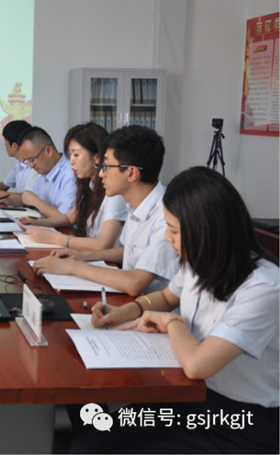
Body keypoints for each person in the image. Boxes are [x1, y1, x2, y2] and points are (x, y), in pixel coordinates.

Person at [73, 167, 279, 454]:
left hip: (238, 420)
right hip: (186, 394)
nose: (168, 239)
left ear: (206, 231)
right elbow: (167, 296)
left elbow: (197, 365)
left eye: (174, 230)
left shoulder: (264, 288)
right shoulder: (201, 261)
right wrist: (128, 310)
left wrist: (174, 323)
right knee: (89, 442)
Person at [32, 125, 179, 296]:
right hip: (131, 300)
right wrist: (81, 256)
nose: (101, 174)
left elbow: (135, 283)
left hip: (151, 307)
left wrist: (71, 266)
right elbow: (127, 251)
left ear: (131, 173)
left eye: (107, 166)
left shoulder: (167, 217)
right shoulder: (135, 204)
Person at [20, 122, 127, 250]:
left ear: (97, 157)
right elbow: (70, 218)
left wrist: (56, 238)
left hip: (104, 258)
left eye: (76, 155)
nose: (71, 161)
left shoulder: (114, 191)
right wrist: (35, 223)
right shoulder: (89, 184)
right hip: (88, 253)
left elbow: (103, 244)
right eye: (70, 155)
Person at [0, 126, 76, 218]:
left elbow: (65, 217)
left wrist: (35, 201)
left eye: (32, 159)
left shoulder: (70, 174)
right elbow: (31, 200)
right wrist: (11, 201)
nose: (31, 166)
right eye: (27, 161)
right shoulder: (45, 170)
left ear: (48, 150)